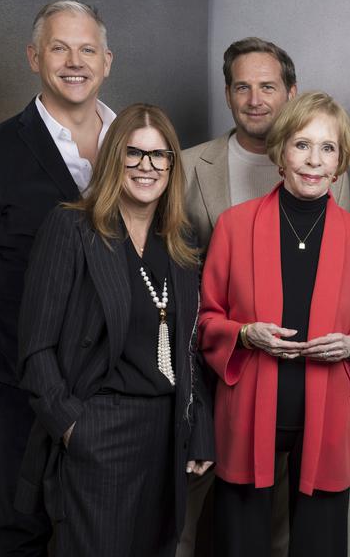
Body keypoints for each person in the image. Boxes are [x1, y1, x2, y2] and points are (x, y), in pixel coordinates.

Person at [0, 0, 114, 555]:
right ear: (34, 56)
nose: (74, 61)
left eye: (87, 49)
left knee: (110, 522)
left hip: (116, 381)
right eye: (59, 48)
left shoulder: (138, 146)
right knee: (24, 525)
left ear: (106, 61)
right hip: (24, 379)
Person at [14, 103, 214, 555]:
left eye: (159, 155)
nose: (146, 167)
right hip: (100, 427)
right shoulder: (73, 227)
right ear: (112, 160)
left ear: (171, 165)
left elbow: (189, 348)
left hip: (167, 432)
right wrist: (71, 426)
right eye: (133, 154)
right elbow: (35, 346)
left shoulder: (182, 244)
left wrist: (198, 428)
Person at [199, 91, 350, 556]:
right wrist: (244, 333)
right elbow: (205, 320)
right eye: (302, 145)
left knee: (319, 543)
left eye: (328, 148)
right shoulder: (234, 226)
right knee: (239, 541)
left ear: (340, 162)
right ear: (280, 152)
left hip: (324, 410)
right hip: (249, 406)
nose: (313, 160)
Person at [183, 37, 350, 251]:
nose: (254, 101)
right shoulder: (186, 167)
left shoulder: (328, 169)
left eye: (267, 87)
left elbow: (341, 252)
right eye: (243, 88)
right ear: (228, 95)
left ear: (291, 93)